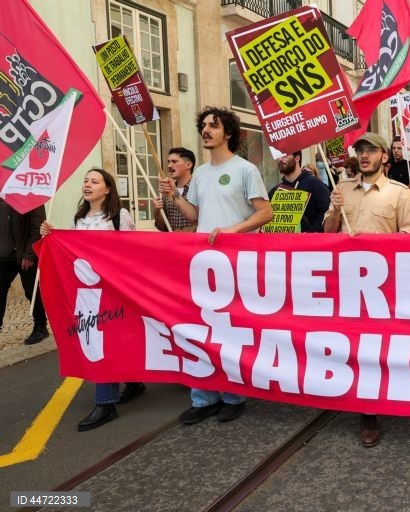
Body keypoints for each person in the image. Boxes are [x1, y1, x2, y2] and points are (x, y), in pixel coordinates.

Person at [158, 106, 273, 424]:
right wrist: (175, 195)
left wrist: (233, 230)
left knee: (230, 331)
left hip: (235, 263)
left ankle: (233, 396)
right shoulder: (201, 175)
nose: (206, 130)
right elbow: (195, 215)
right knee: (200, 329)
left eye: (214, 125)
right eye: (204, 126)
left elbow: (266, 212)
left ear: (229, 133)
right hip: (204, 263)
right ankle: (204, 398)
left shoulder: (245, 169)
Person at [323, 132, 410, 447]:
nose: (364, 155)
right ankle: (368, 410)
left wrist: (379, 245)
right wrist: (334, 210)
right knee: (356, 345)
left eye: (371, 150)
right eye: (360, 150)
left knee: (382, 345)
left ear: (383, 157)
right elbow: (327, 233)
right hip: (348, 283)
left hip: (383, 284)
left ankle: (391, 394)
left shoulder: (399, 193)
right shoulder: (341, 190)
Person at [40, 169, 145, 431]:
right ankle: (132, 383)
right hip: (89, 294)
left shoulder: (120, 216)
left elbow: (131, 251)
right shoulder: (79, 218)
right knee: (98, 341)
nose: (88, 184)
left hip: (114, 290)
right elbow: (71, 252)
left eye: (94, 181)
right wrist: (50, 235)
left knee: (107, 342)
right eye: (86, 180)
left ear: (107, 189)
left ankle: (106, 403)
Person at [0, 198, 48, 344]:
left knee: (31, 291)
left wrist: (29, 254)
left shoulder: (31, 195)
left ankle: (40, 326)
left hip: (25, 255)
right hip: (3, 256)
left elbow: (37, 227)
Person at [269, 151, 330, 233]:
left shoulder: (316, 185)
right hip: (284, 240)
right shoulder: (274, 191)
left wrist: (310, 233)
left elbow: (326, 213)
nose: (280, 159)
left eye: (284, 156)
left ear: (297, 158)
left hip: (310, 240)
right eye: (279, 156)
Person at [152, 147, 197, 232]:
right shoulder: (167, 190)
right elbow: (162, 226)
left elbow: (204, 220)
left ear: (188, 165)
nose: (169, 165)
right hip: (172, 240)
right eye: (169, 162)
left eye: (174, 161)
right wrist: (157, 211)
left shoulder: (198, 187)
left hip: (195, 240)